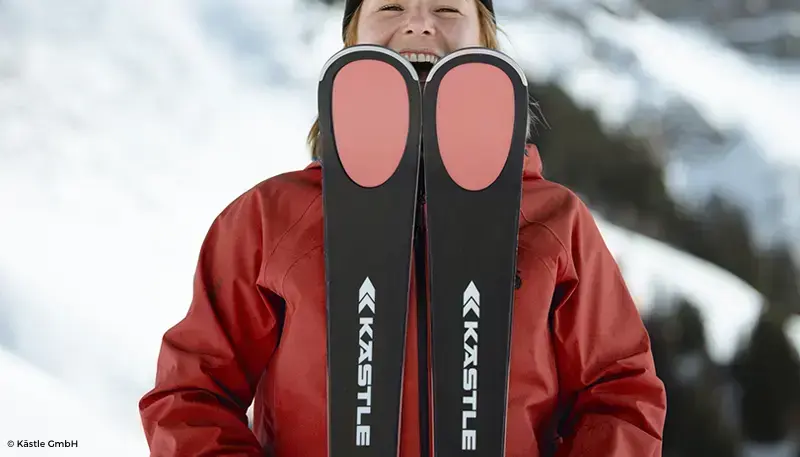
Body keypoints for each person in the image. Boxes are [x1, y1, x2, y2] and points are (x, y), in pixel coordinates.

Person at [138, 0, 667, 456]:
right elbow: (191, 394)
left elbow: (619, 392)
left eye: (446, 8)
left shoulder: (554, 222)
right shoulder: (269, 219)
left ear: (486, 36)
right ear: (352, 37)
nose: (417, 24)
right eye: (390, 6)